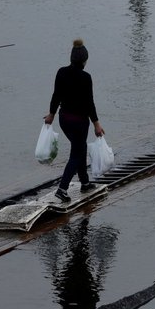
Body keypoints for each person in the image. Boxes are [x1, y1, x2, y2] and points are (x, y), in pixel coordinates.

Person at [44, 38, 105, 202]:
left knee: (80, 148)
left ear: (71, 58)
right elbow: (89, 102)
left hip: (64, 120)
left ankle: (84, 182)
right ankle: (62, 189)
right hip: (79, 122)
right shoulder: (86, 77)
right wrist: (96, 124)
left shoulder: (61, 72)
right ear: (85, 60)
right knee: (76, 154)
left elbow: (56, 95)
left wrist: (51, 114)